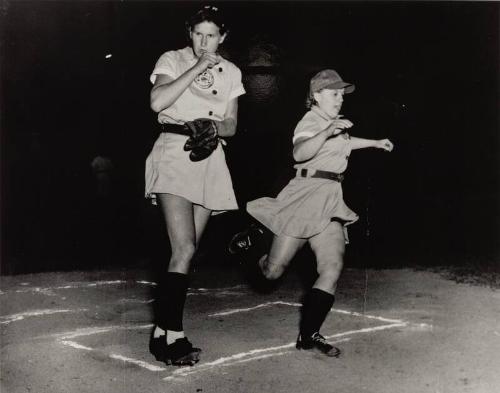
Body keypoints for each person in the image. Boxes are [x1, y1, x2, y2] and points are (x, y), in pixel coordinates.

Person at [228, 69, 394, 357]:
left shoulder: (334, 123)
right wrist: (328, 130)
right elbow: (300, 153)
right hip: (305, 198)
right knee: (272, 272)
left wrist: (374, 143)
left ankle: (309, 334)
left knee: (332, 267)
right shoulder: (312, 120)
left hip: (331, 200)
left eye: (342, 94)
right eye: (334, 93)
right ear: (316, 95)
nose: (339, 99)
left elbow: (344, 144)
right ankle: (252, 244)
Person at [145, 5, 245, 366]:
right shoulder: (172, 59)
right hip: (174, 150)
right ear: (190, 33)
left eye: (212, 35)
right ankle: (175, 336)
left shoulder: (231, 71)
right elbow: (158, 101)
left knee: (188, 252)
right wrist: (197, 66)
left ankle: (161, 332)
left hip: (210, 157)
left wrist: (215, 127)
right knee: (184, 248)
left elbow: (232, 122)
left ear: (222, 37)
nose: (204, 41)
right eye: (198, 34)